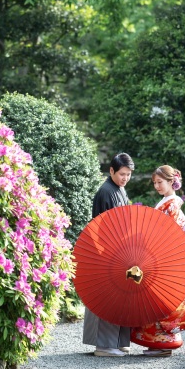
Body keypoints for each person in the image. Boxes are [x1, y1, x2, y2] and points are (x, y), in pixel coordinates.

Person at [130, 165, 185, 357]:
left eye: (160, 182)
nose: (157, 186)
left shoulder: (172, 205)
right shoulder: (166, 203)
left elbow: (173, 234)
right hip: (158, 256)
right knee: (156, 300)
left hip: (162, 257)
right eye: (154, 183)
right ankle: (158, 342)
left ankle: (162, 342)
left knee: (159, 300)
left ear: (171, 182)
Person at [82, 152, 135, 357]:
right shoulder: (105, 191)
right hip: (106, 250)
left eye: (129, 174)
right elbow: (100, 226)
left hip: (119, 249)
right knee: (109, 295)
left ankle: (118, 342)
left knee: (121, 295)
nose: (125, 178)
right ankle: (104, 345)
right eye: (122, 174)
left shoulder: (120, 190)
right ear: (111, 171)